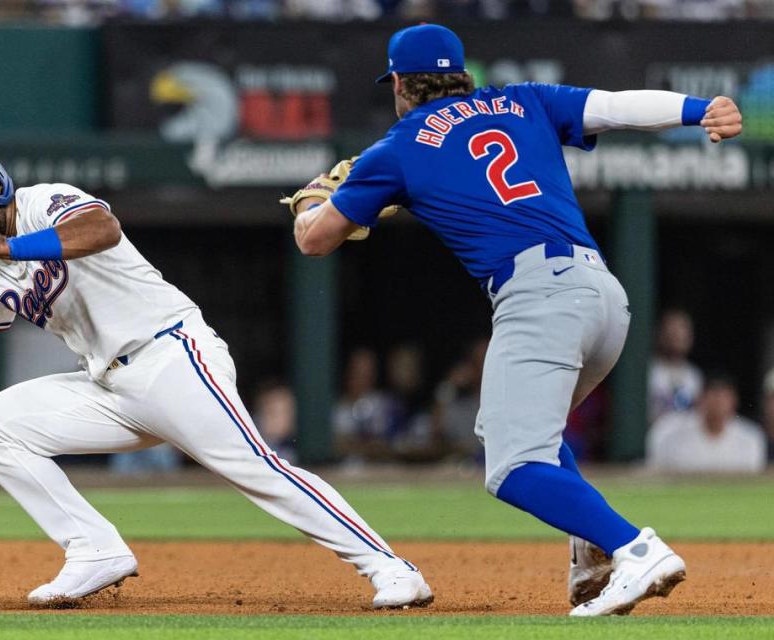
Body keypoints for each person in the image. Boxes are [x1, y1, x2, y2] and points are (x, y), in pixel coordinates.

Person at [285, 23, 742, 616]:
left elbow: (315, 242)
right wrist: (700, 108)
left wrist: (315, 195)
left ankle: (635, 548)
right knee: (530, 438)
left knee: (512, 466)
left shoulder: (397, 147)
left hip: (538, 297)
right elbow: (615, 106)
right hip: (603, 297)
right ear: (461, 75)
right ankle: (592, 551)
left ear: (399, 82)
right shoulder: (523, 99)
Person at [0, 139, 432, 609]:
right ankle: (94, 549)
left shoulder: (42, 203)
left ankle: (390, 567)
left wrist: (11, 245)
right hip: (108, 386)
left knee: (255, 469)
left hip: (172, 355)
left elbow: (102, 228)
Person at [647, 375, 767, 473]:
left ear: (734, 401)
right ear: (701, 399)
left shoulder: (751, 438)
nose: (718, 402)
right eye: (713, 395)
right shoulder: (671, 431)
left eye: (724, 396)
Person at [648, 309, 703, 425]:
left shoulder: (694, 375)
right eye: (672, 329)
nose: (677, 335)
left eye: (682, 329)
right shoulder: (650, 370)